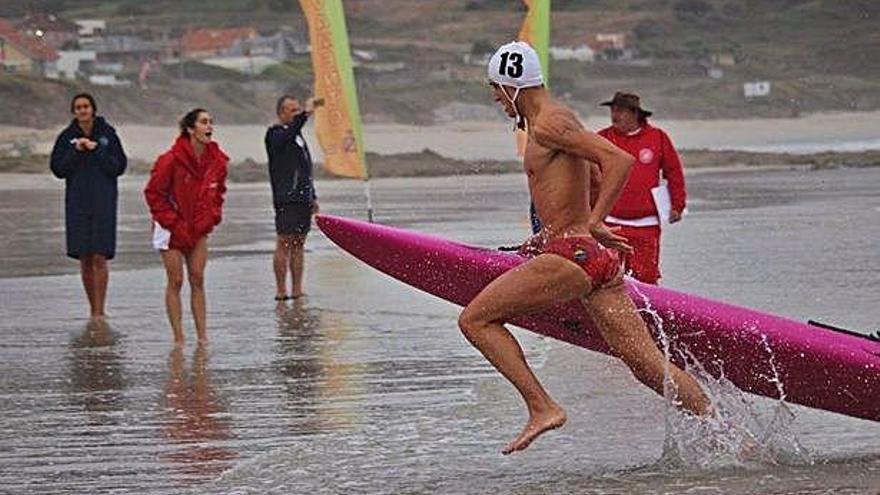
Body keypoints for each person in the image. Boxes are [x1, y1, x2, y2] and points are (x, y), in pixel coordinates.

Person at [460, 41, 711, 455]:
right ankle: (726, 429)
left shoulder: (547, 125)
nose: (498, 103)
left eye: (496, 92)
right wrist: (562, 230)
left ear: (511, 85)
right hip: (595, 261)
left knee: (475, 321)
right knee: (649, 367)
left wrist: (593, 223)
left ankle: (542, 407)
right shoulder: (559, 120)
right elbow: (593, 175)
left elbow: (618, 161)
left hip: (573, 256)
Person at [144, 109, 228, 344]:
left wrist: (212, 217)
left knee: (198, 277)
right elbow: (154, 194)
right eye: (203, 122)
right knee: (176, 280)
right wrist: (173, 222)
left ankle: (202, 336)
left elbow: (218, 192)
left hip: (199, 227)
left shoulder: (218, 161)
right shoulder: (169, 159)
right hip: (169, 227)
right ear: (191, 129)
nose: (209, 126)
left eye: (211, 122)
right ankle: (178, 337)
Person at [50, 93, 127, 323]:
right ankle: (91, 307)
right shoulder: (66, 137)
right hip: (77, 202)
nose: (82, 110)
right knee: (84, 256)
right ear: (74, 111)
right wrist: (77, 151)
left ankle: (100, 310)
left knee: (100, 256)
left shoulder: (108, 135)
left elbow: (119, 166)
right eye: (78, 107)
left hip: (103, 201)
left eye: (86, 106)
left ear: (93, 109)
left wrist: (97, 149)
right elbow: (58, 169)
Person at [597, 91, 687, 285]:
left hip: (646, 225)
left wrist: (678, 205)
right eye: (612, 110)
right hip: (609, 223)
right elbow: (585, 174)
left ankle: (645, 314)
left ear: (635, 113)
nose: (614, 115)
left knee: (645, 278)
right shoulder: (602, 138)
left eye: (620, 110)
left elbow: (674, 172)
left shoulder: (658, 137)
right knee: (605, 277)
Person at [265, 95, 321, 301]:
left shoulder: (298, 137)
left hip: (302, 198)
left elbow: (305, 169)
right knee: (284, 242)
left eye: (298, 110)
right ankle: (281, 289)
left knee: (299, 243)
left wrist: (312, 196)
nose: (296, 114)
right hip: (286, 198)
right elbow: (289, 135)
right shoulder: (275, 134)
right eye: (292, 110)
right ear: (281, 113)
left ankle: (297, 288)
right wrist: (306, 113)